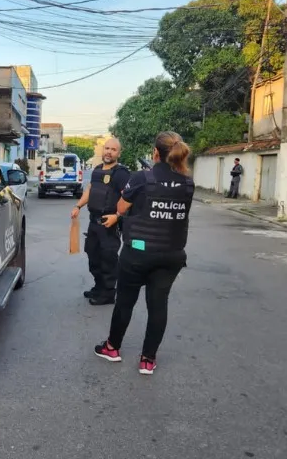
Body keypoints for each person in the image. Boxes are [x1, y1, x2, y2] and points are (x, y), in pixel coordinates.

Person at [94, 131, 194, 375]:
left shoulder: (142, 178)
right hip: (171, 254)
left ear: (155, 153)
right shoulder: (188, 182)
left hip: (138, 251)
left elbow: (121, 207)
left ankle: (112, 347)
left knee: (125, 302)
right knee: (158, 305)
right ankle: (148, 360)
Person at [71, 138, 130, 305]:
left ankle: (108, 293)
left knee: (108, 259)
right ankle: (99, 287)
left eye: (113, 149)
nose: (109, 152)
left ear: (119, 153)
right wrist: (78, 206)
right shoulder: (97, 170)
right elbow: (90, 190)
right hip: (93, 223)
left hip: (109, 223)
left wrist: (117, 216)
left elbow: (128, 198)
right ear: (103, 150)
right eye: (107, 148)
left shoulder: (121, 173)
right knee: (93, 256)